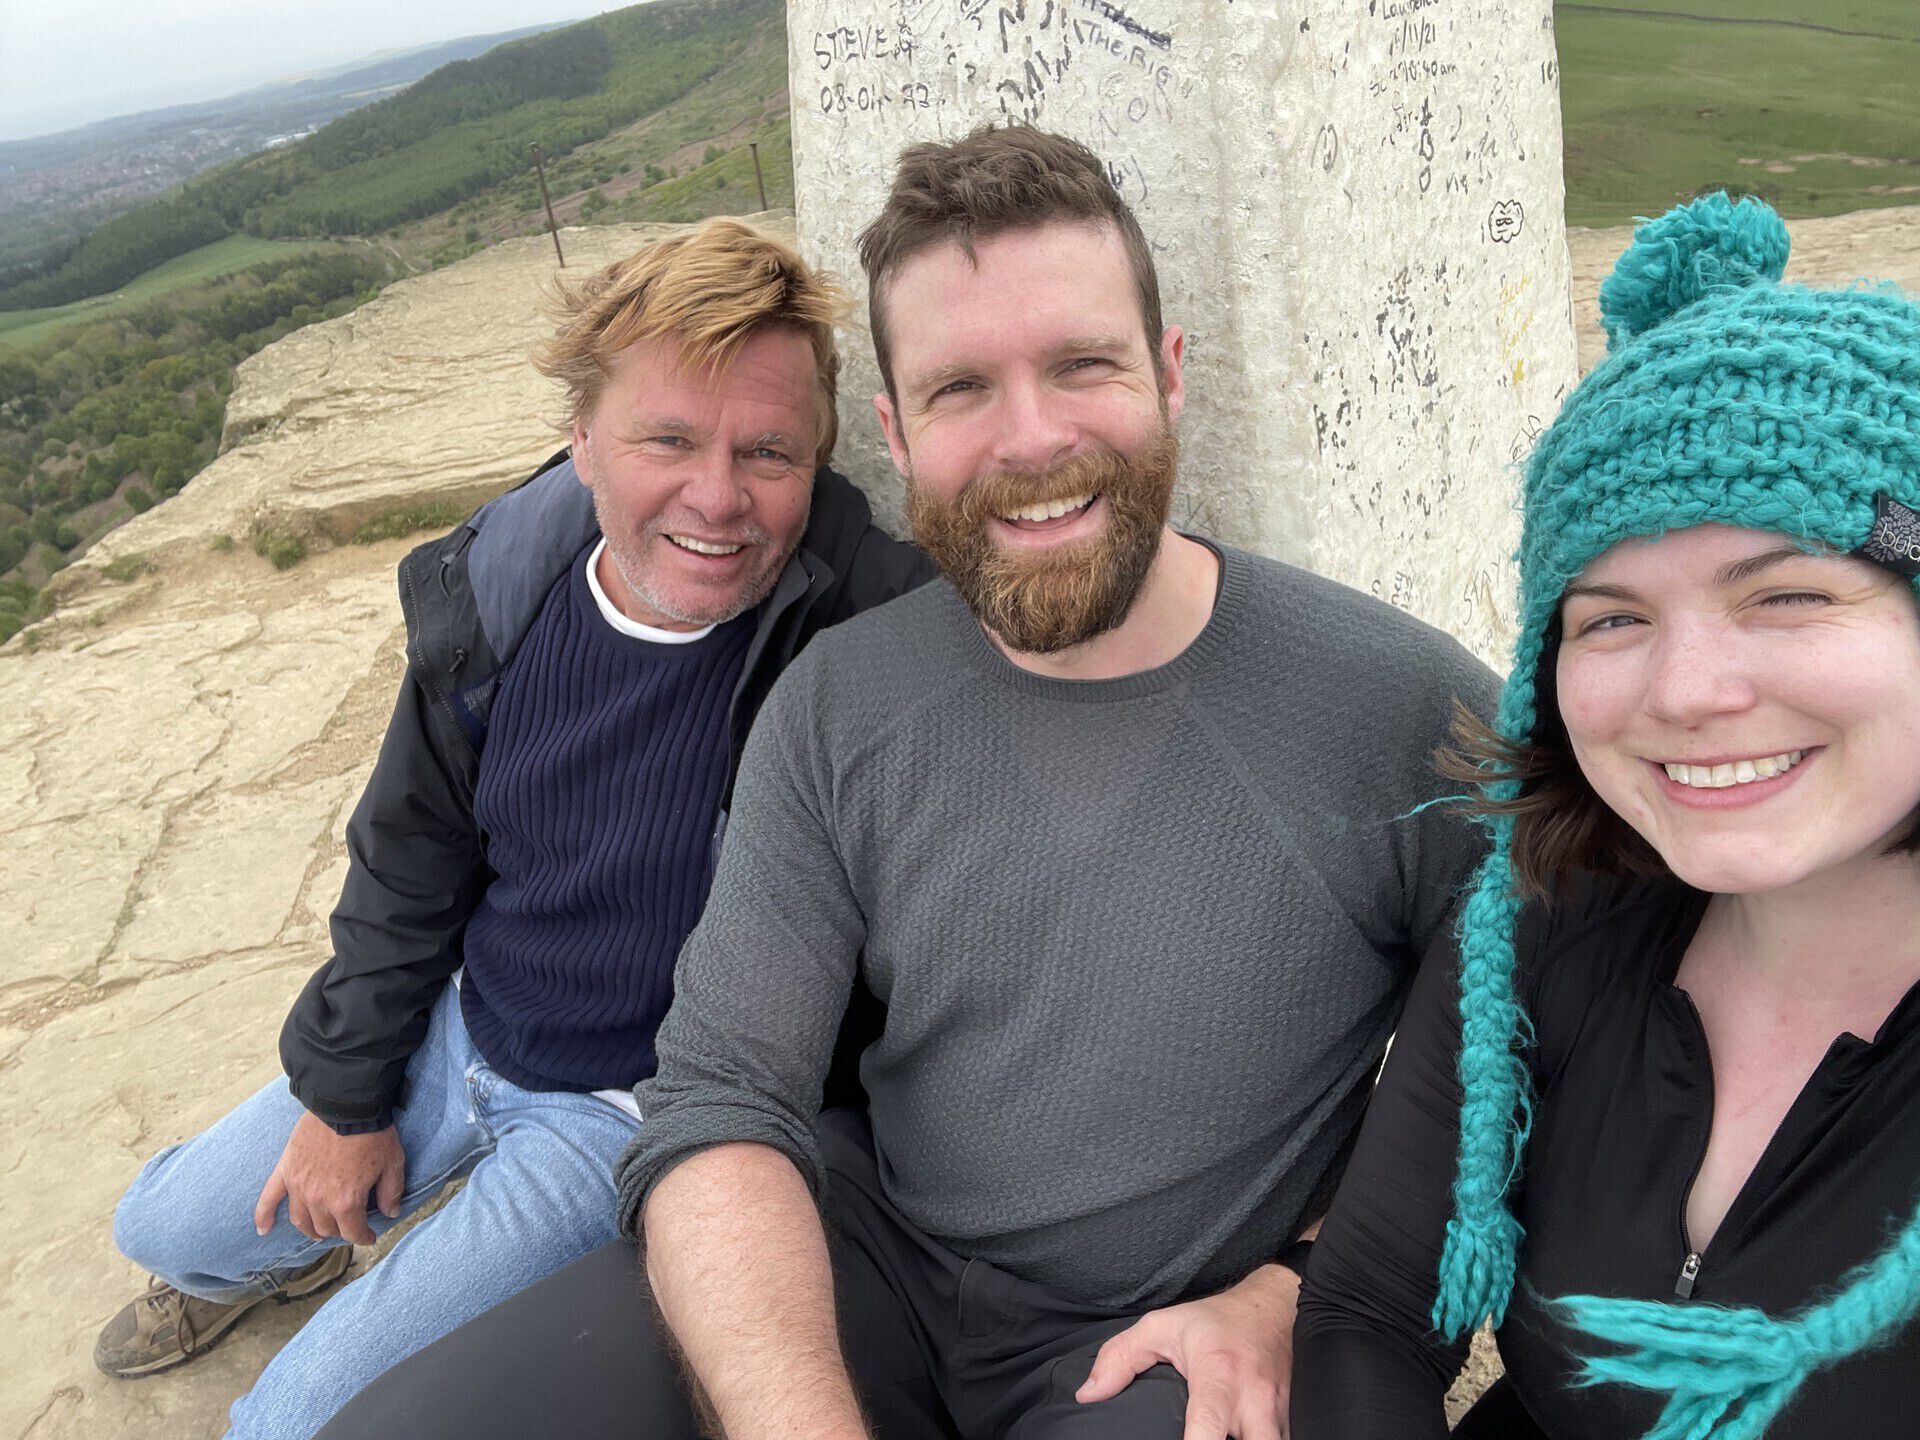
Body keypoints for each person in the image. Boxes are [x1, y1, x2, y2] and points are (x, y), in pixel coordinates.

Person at [317, 124, 1494, 1440]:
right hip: (871, 1262)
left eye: (1082, 365)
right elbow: (721, 1095)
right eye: (961, 390)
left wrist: (1314, 1284)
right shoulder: (839, 701)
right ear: (892, 429)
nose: (1031, 438)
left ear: (1168, 373)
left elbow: (1557, 1018)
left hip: (1177, 1329)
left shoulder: (1401, 704)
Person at [95, 217, 930, 1439]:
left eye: (770, 451)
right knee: (155, 1224)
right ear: (582, 440)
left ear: (823, 456)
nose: (718, 495)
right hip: (467, 1026)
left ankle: (411, 1278)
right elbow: (409, 856)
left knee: (291, 1423)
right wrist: (347, 1094)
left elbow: (1041, 625)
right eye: (667, 439)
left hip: (622, 1115)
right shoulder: (500, 601)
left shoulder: (856, 617)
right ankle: (303, 1257)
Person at [1292, 193, 1920, 1440]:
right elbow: (1369, 1307)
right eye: (1613, 617)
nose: (1686, 694)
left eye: (1786, 595)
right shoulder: (1542, 927)